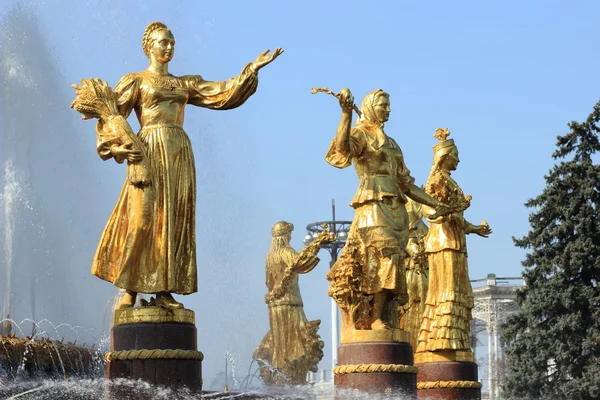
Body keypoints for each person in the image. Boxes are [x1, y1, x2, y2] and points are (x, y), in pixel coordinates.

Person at [83, 22, 282, 309]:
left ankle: (164, 291)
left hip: (178, 153)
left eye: (172, 43)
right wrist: (122, 145)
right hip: (149, 151)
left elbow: (222, 93)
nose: (169, 47)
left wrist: (252, 69)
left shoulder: (184, 83)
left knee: (173, 221)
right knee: (142, 218)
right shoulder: (136, 80)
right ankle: (129, 289)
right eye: (163, 42)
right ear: (149, 46)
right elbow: (111, 115)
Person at [325, 88, 450, 331]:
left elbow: (407, 184)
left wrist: (436, 204)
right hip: (371, 205)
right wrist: (345, 114)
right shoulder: (361, 135)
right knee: (378, 257)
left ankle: (382, 315)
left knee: (391, 258)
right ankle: (374, 318)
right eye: (383, 105)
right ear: (371, 107)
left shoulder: (392, 144)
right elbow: (342, 149)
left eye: (389, 105)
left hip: (395, 209)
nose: (388, 109)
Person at [416, 128, 492, 353]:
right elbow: (430, 212)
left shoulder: (449, 180)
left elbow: (455, 216)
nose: (458, 159)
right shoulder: (436, 180)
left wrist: (475, 228)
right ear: (445, 157)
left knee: (456, 288)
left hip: (455, 241)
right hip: (443, 242)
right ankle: (441, 339)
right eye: (455, 154)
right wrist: (455, 209)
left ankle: (454, 339)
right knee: (445, 289)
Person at [253, 221, 331, 385]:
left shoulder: (270, 257)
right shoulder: (285, 252)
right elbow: (300, 263)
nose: (290, 237)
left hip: (274, 304)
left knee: (280, 340)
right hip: (290, 302)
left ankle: (279, 372)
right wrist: (318, 243)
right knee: (298, 336)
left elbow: (268, 282)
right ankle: (292, 375)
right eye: (289, 234)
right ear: (284, 236)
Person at [399, 197, 429, 350]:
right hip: (414, 273)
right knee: (413, 308)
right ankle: (414, 345)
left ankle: (417, 345)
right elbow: (410, 245)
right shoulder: (413, 223)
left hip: (419, 274)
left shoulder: (417, 225)